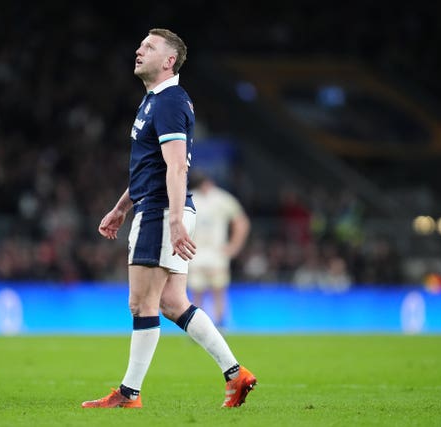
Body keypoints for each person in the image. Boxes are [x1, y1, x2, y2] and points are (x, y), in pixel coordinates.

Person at [82, 28, 256, 409]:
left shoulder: (169, 102)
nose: (139, 49)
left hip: (161, 211)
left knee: (141, 303)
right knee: (174, 302)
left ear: (169, 60)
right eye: (140, 44)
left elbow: (177, 167)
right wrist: (120, 207)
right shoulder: (154, 101)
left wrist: (175, 219)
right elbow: (151, 167)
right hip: (158, 207)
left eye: (149, 46)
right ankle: (235, 373)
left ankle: (129, 394)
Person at [187, 171, 251, 329]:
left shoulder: (222, 199)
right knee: (196, 291)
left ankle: (220, 323)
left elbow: (241, 222)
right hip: (195, 252)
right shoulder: (190, 197)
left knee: (218, 289)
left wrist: (234, 246)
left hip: (217, 252)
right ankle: (197, 326)